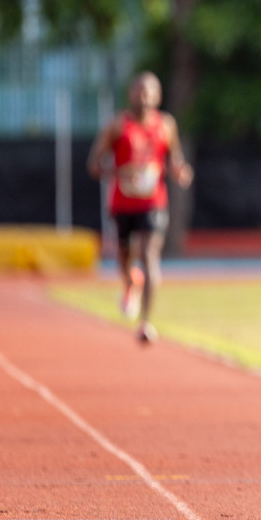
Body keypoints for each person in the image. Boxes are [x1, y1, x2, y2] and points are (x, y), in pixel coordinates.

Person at [87, 72, 194, 344]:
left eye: (149, 92)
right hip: (123, 203)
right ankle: (129, 281)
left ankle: (146, 322)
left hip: (153, 202)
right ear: (130, 94)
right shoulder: (117, 126)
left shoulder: (166, 125)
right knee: (124, 257)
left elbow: (175, 158)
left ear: (158, 96)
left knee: (149, 256)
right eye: (138, 91)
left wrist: (180, 171)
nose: (143, 96)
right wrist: (119, 173)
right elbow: (94, 165)